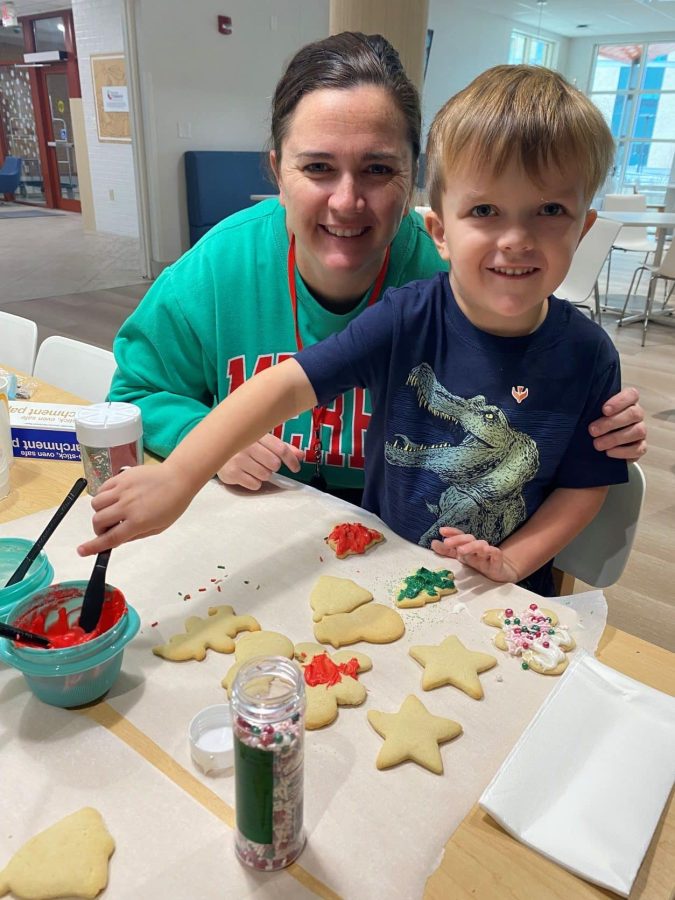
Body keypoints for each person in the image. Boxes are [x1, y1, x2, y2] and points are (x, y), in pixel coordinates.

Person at [82, 64, 631, 597]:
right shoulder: (405, 314)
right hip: (368, 565)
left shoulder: (580, 348)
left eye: (376, 169)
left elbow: (585, 485)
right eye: (318, 167)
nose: (515, 239)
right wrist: (179, 477)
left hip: (493, 594)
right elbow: (281, 385)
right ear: (439, 228)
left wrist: (519, 553)